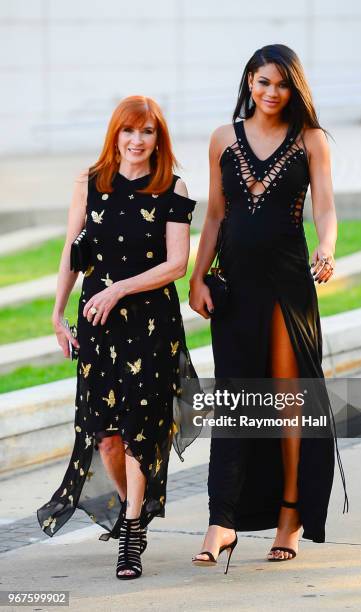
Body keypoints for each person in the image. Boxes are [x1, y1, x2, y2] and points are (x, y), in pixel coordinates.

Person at [189, 44, 349, 572]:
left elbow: (325, 205)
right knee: (234, 400)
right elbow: (213, 217)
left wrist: (326, 248)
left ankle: (290, 514)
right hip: (234, 287)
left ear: (294, 87)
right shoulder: (221, 139)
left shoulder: (310, 140)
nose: (271, 92)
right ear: (248, 83)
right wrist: (197, 277)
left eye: (281, 83)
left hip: (286, 286)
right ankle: (222, 519)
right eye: (262, 82)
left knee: (286, 404)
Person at [37, 95, 198, 580]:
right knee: (104, 436)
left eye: (146, 132)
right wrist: (58, 312)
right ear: (115, 135)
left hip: (150, 325)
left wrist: (120, 289)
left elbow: (176, 264)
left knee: (139, 433)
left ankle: (130, 535)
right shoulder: (90, 183)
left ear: (158, 139)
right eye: (128, 131)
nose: (136, 141)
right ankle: (135, 505)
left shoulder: (172, 187)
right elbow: (73, 249)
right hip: (97, 326)